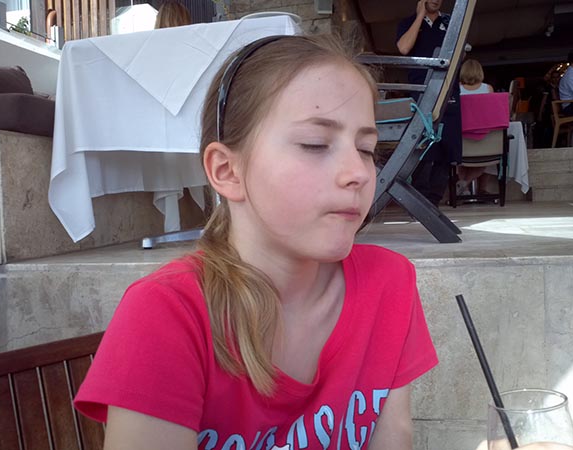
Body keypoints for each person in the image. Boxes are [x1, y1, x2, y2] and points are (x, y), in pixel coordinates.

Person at [73, 35, 438, 449]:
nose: (358, 172)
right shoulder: (168, 313)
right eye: (315, 144)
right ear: (227, 171)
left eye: (367, 149)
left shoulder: (389, 282)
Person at [396, 0, 463, 206]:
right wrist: (419, 16)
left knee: (448, 145)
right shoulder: (408, 22)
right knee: (422, 143)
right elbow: (403, 48)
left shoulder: (450, 21)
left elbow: (461, 51)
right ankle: (420, 200)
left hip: (448, 89)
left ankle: (434, 201)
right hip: (420, 90)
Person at [456, 58, 495, 194]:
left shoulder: (457, 90)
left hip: (462, 141)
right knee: (490, 157)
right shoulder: (488, 89)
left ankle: (463, 187)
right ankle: (473, 186)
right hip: (483, 141)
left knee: (460, 160)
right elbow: (493, 115)